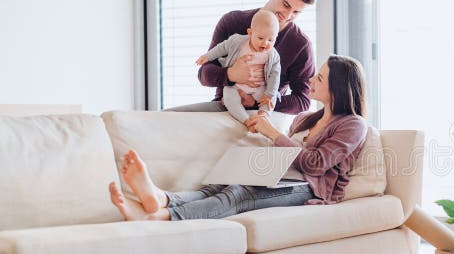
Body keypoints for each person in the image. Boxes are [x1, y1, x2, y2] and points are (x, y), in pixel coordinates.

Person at [108, 55, 368, 221]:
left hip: (310, 187)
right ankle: (162, 198)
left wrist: (272, 132)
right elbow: (286, 155)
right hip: (279, 176)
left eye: (319, 78)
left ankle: (161, 217)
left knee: (239, 194)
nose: (311, 80)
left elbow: (316, 164)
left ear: (337, 89)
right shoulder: (305, 118)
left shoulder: (353, 125)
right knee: (219, 185)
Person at [168, 0, 317, 115]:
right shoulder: (232, 21)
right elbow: (204, 74)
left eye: (296, 12)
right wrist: (231, 74)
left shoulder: (301, 45)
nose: (287, 16)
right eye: (286, 5)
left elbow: (303, 101)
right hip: (224, 108)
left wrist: (257, 101)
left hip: (264, 115)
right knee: (163, 117)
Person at [195, 9, 280, 122]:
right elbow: (222, 47)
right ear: (250, 33)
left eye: (271, 40)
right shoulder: (238, 41)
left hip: (259, 87)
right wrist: (208, 56)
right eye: (260, 38)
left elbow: (275, 76)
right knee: (229, 97)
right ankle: (245, 119)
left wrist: (269, 94)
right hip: (236, 85)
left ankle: (263, 116)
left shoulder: (273, 55)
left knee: (270, 98)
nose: (265, 43)